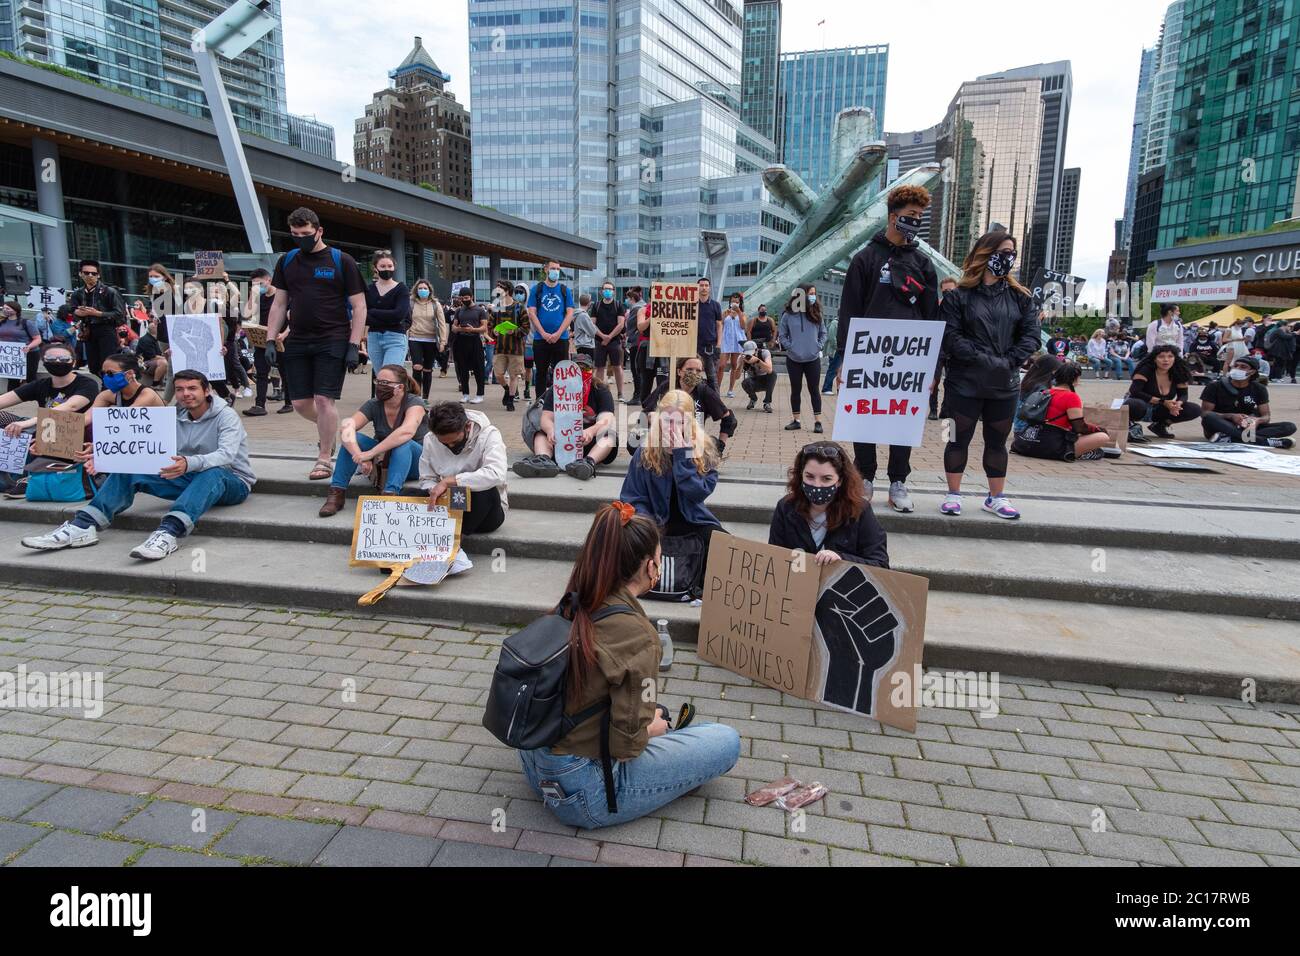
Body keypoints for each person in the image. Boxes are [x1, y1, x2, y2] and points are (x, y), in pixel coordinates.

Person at [518, 503, 740, 830]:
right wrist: (654, 728)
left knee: (656, 710)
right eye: (659, 559)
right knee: (724, 740)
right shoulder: (638, 635)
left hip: (534, 762)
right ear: (651, 567)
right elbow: (626, 747)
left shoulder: (571, 601)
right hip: (584, 792)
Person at [21, 369, 255, 559]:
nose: (186, 394)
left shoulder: (226, 416)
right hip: (186, 476)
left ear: (207, 391)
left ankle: (168, 532)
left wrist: (188, 462)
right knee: (131, 468)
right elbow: (141, 445)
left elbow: (226, 455)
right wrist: (101, 450)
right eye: (181, 389)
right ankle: (83, 526)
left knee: (212, 472)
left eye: (192, 388)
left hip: (231, 481)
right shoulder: (172, 415)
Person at [834, 185, 941, 512]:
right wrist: (843, 358)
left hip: (910, 357)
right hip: (868, 353)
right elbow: (849, 310)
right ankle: (864, 476)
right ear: (893, 217)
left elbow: (931, 316)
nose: (916, 222)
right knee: (865, 415)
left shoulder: (923, 263)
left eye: (920, 217)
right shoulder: (865, 258)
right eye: (911, 216)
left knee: (902, 418)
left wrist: (933, 368)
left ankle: (898, 481)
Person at [938, 230, 1041, 519]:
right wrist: (983, 359)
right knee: (956, 438)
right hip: (963, 383)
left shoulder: (1021, 298)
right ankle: (953, 493)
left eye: (1012, 253)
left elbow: (1031, 336)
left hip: (1004, 383)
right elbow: (950, 335)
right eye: (1002, 252)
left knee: (998, 442)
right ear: (985, 253)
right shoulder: (957, 297)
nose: (1008, 258)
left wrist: (1009, 360)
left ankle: (996, 496)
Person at [266, 207, 367, 481]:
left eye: (306, 234)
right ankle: (329, 431)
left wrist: (352, 344)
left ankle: (324, 457)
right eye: (295, 234)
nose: (301, 239)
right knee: (300, 403)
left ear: (319, 231)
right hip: (298, 338)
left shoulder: (341, 260)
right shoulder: (287, 261)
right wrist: (270, 339)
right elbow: (279, 303)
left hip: (332, 338)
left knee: (324, 399)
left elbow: (359, 306)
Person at [620, 389, 723, 555]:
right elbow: (632, 496)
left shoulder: (703, 449)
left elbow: (697, 493)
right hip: (654, 519)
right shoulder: (646, 451)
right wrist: (646, 525)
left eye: (680, 422)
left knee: (724, 547)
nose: (673, 428)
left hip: (692, 519)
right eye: (668, 420)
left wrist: (682, 455)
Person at [319, 365, 428, 517]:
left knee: (403, 441)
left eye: (385, 383)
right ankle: (336, 493)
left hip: (415, 463)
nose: (379, 386)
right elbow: (346, 426)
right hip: (384, 458)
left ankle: (390, 495)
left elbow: (406, 431)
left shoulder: (415, 403)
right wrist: (360, 457)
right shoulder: (374, 404)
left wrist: (370, 453)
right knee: (351, 436)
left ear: (400, 387)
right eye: (378, 382)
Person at [767, 441, 888, 568]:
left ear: (840, 480)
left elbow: (880, 563)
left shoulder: (859, 510)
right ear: (800, 474)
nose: (816, 485)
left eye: (826, 479)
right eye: (809, 476)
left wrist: (841, 559)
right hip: (796, 585)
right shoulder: (786, 507)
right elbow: (774, 558)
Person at [514, 352, 617, 480]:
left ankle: (588, 463)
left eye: (585, 369)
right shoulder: (556, 389)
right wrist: (551, 430)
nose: (580, 372)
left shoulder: (600, 389)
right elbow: (546, 417)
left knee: (610, 435)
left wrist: (591, 431)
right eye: (576, 369)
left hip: (589, 443)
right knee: (540, 432)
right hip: (559, 442)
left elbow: (607, 419)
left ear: (592, 371)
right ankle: (543, 459)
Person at [418, 402, 508, 535]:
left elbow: (496, 473)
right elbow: (426, 478)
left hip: (482, 509)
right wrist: (435, 490)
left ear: (467, 426)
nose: (450, 445)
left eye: (454, 441)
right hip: (447, 503)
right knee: (407, 494)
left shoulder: (489, 434)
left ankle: (457, 540)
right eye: (444, 443)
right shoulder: (430, 439)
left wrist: (452, 481)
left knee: (487, 491)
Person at [1011, 362, 1113, 463]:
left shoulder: (1045, 392)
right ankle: (1080, 453)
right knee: (1102, 437)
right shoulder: (1071, 397)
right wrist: (1099, 429)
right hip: (1052, 445)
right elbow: (1079, 427)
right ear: (1076, 378)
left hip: (1026, 441)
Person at [639, 355, 737, 457]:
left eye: (698, 371)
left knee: (711, 446)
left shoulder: (704, 391)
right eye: (689, 369)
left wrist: (721, 445)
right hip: (666, 439)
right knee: (634, 443)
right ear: (679, 371)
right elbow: (645, 414)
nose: (694, 373)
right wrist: (655, 419)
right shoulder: (667, 387)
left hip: (692, 441)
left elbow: (729, 419)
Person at [1200, 356, 1296, 448]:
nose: (1237, 368)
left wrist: (1257, 420)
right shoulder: (1215, 386)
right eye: (1236, 365)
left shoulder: (1259, 389)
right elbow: (1205, 413)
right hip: (1221, 426)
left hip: (1246, 426)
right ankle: (1263, 442)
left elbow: (1266, 416)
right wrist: (1231, 416)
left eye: (1243, 367)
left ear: (1252, 371)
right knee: (1209, 417)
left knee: (1289, 427)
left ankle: (1233, 439)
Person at [56, 259, 125, 377]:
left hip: (106, 329)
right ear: (80, 274)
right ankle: (105, 387)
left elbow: (120, 314)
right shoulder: (77, 293)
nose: (90, 276)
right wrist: (78, 313)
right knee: (93, 366)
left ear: (98, 275)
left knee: (108, 364)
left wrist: (98, 313)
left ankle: (108, 390)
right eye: (86, 273)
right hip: (88, 330)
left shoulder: (110, 291)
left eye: (93, 273)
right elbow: (72, 310)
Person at [1123, 345, 1202, 442]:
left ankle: (1160, 425)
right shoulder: (1146, 369)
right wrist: (1162, 402)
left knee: (1195, 409)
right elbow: (1135, 391)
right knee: (1134, 404)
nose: (1166, 360)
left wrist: (1178, 404)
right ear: (1155, 359)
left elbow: (1183, 395)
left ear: (1175, 358)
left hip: (1160, 409)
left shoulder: (1179, 372)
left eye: (1170, 356)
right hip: (1141, 405)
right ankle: (1130, 426)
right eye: (1161, 357)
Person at [778, 283, 827, 434]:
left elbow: (823, 333)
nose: (813, 296)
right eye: (810, 293)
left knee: (814, 390)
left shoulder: (816, 313)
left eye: (814, 293)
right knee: (795, 389)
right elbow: (782, 334)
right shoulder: (788, 315)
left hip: (812, 359)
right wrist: (790, 346)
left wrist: (818, 346)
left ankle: (818, 422)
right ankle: (796, 420)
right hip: (794, 359)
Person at [527, 260, 574, 393]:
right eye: (553, 268)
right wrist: (543, 333)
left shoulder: (565, 290)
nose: (556, 272)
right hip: (541, 339)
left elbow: (569, 314)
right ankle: (540, 402)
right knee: (541, 372)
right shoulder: (537, 289)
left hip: (561, 338)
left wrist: (558, 333)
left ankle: (560, 401)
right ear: (546, 269)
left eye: (558, 269)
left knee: (561, 373)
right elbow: (532, 312)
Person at [364, 250, 411, 383]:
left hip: (395, 338)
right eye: (383, 266)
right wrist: (387, 316)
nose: (387, 269)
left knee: (391, 377)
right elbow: (363, 316)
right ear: (375, 268)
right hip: (374, 338)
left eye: (390, 266)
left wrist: (373, 311)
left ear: (394, 267)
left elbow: (399, 315)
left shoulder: (401, 289)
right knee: (381, 379)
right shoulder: (369, 289)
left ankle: (401, 401)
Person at [240, 269, 276, 416]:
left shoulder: (281, 296)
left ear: (269, 280)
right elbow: (246, 314)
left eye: (260, 283)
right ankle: (259, 405)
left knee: (285, 372)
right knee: (261, 372)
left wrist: (284, 334)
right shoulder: (258, 298)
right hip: (262, 339)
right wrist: (252, 296)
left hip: (278, 339)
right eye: (254, 285)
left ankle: (288, 401)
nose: (258, 287)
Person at [491, 280, 529, 411]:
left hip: (515, 348)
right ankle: (507, 390)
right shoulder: (496, 307)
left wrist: (515, 331)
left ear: (507, 291)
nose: (497, 290)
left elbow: (526, 328)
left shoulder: (520, 308)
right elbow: (490, 326)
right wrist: (493, 331)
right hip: (500, 347)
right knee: (498, 374)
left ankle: (511, 400)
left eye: (500, 288)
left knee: (514, 375)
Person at [87, 351, 164, 414]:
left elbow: (127, 417)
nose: (106, 377)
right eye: (103, 373)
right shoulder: (108, 395)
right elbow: (88, 416)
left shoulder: (147, 394)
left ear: (129, 374)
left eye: (110, 373)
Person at [408, 279, 447, 398]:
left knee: (427, 369)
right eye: (420, 288)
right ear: (416, 290)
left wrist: (443, 342)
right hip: (414, 338)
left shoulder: (435, 304)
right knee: (417, 367)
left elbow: (442, 323)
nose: (422, 290)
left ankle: (425, 397)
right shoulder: (411, 303)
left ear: (429, 290)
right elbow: (405, 320)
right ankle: (416, 396)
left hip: (431, 340)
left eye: (425, 288)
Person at [449, 289, 489, 404]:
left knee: (478, 369)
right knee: (462, 369)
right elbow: (453, 327)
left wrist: (473, 329)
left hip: (475, 340)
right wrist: (461, 329)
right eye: (462, 298)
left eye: (467, 298)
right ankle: (465, 394)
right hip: (461, 340)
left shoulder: (480, 310)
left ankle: (480, 394)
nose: (464, 300)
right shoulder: (459, 311)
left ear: (471, 297)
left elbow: (484, 328)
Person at [929, 276, 959, 419]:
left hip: (953, 347)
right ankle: (933, 409)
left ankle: (945, 409)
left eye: (951, 291)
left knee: (951, 382)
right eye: (945, 291)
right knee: (934, 379)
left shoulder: (961, 307)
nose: (948, 294)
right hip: (938, 346)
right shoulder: (937, 306)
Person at [591, 280, 627, 399]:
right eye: (605, 289)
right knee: (600, 367)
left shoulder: (618, 305)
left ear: (613, 292)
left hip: (614, 342)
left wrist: (609, 337)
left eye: (610, 289)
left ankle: (620, 393)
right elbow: (592, 324)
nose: (607, 291)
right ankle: (601, 393)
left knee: (617, 367)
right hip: (599, 341)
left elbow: (621, 324)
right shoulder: (596, 305)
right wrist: (603, 336)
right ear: (602, 291)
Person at [1012, 353, 1063, 434]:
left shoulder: (1031, 379)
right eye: (1056, 371)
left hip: (1019, 424)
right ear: (1050, 370)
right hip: (1027, 428)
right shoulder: (1041, 387)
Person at [0, 299, 41, 392]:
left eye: (8, 308)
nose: (5, 310)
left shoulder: (26, 323)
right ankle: (11, 398)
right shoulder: (2, 322)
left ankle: (34, 395)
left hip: (29, 353)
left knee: (30, 376)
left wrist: (29, 347)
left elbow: (38, 339)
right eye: (4, 308)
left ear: (16, 310)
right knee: (12, 378)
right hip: (10, 355)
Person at [695, 276, 723, 387]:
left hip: (710, 346)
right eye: (701, 285)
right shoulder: (692, 304)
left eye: (706, 285)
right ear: (697, 287)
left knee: (712, 378)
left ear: (709, 288)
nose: (704, 288)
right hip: (693, 346)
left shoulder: (715, 305)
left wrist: (719, 344)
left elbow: (719, 325)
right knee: (692, 376)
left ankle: (716, 403)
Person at [625, 287, 649, 405]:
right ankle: (639, 394)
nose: (627, 300)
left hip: (636, 343)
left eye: (628, 298)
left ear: (632, 298)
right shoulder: (641, 307)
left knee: (636, 370)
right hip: (638, 342)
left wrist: (629, 339)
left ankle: (637, 395)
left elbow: (632, 327)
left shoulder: (636, 309)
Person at [720, 292, 746, 397]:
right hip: (726, 341)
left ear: (740, 303)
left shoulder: (743, 314)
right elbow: (719, 325)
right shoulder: (725, 312)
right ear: (729, 302)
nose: (734, 303)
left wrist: (739, 312)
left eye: (737, 302)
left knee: (734, 365)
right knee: (721, 366)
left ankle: (730, 389)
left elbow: (743, 326)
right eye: (732, 301)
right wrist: (723, 316)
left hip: (737, 341)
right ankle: (717, 388)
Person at [738, 338, 776, 412]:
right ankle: (753, 399)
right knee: (745, 382)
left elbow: (769, 369)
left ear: (756, 350)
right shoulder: (742, 357)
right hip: (753, 382)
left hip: (766, 381)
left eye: (752, 353)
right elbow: (737, 377)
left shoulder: (765, 353)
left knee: (773, 374)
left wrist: (757, 361)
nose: (750, 355)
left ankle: (767, 403)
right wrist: (741, 364)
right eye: (748, 354)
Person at [1264, 320, 1298, 384]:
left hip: (1279, 350)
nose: (1289, 327)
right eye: (1288, 326)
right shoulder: (1279, 330)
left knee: (1279, 364)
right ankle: (1276, 378)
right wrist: (1294, 333)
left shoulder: (1280, 331)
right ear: (1283, 325)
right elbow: (1286, 337)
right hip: (1277, 350)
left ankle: (1276, 377)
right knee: (1278, 364)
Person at [818, 310, 839, 396]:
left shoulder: (838, 322)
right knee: (833, 369)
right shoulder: (835, 323)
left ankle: (832, 388)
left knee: (837, 370)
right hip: (835, 351)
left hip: (837, 350)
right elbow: (831, 337)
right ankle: (826, 388)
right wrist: (837, 347)